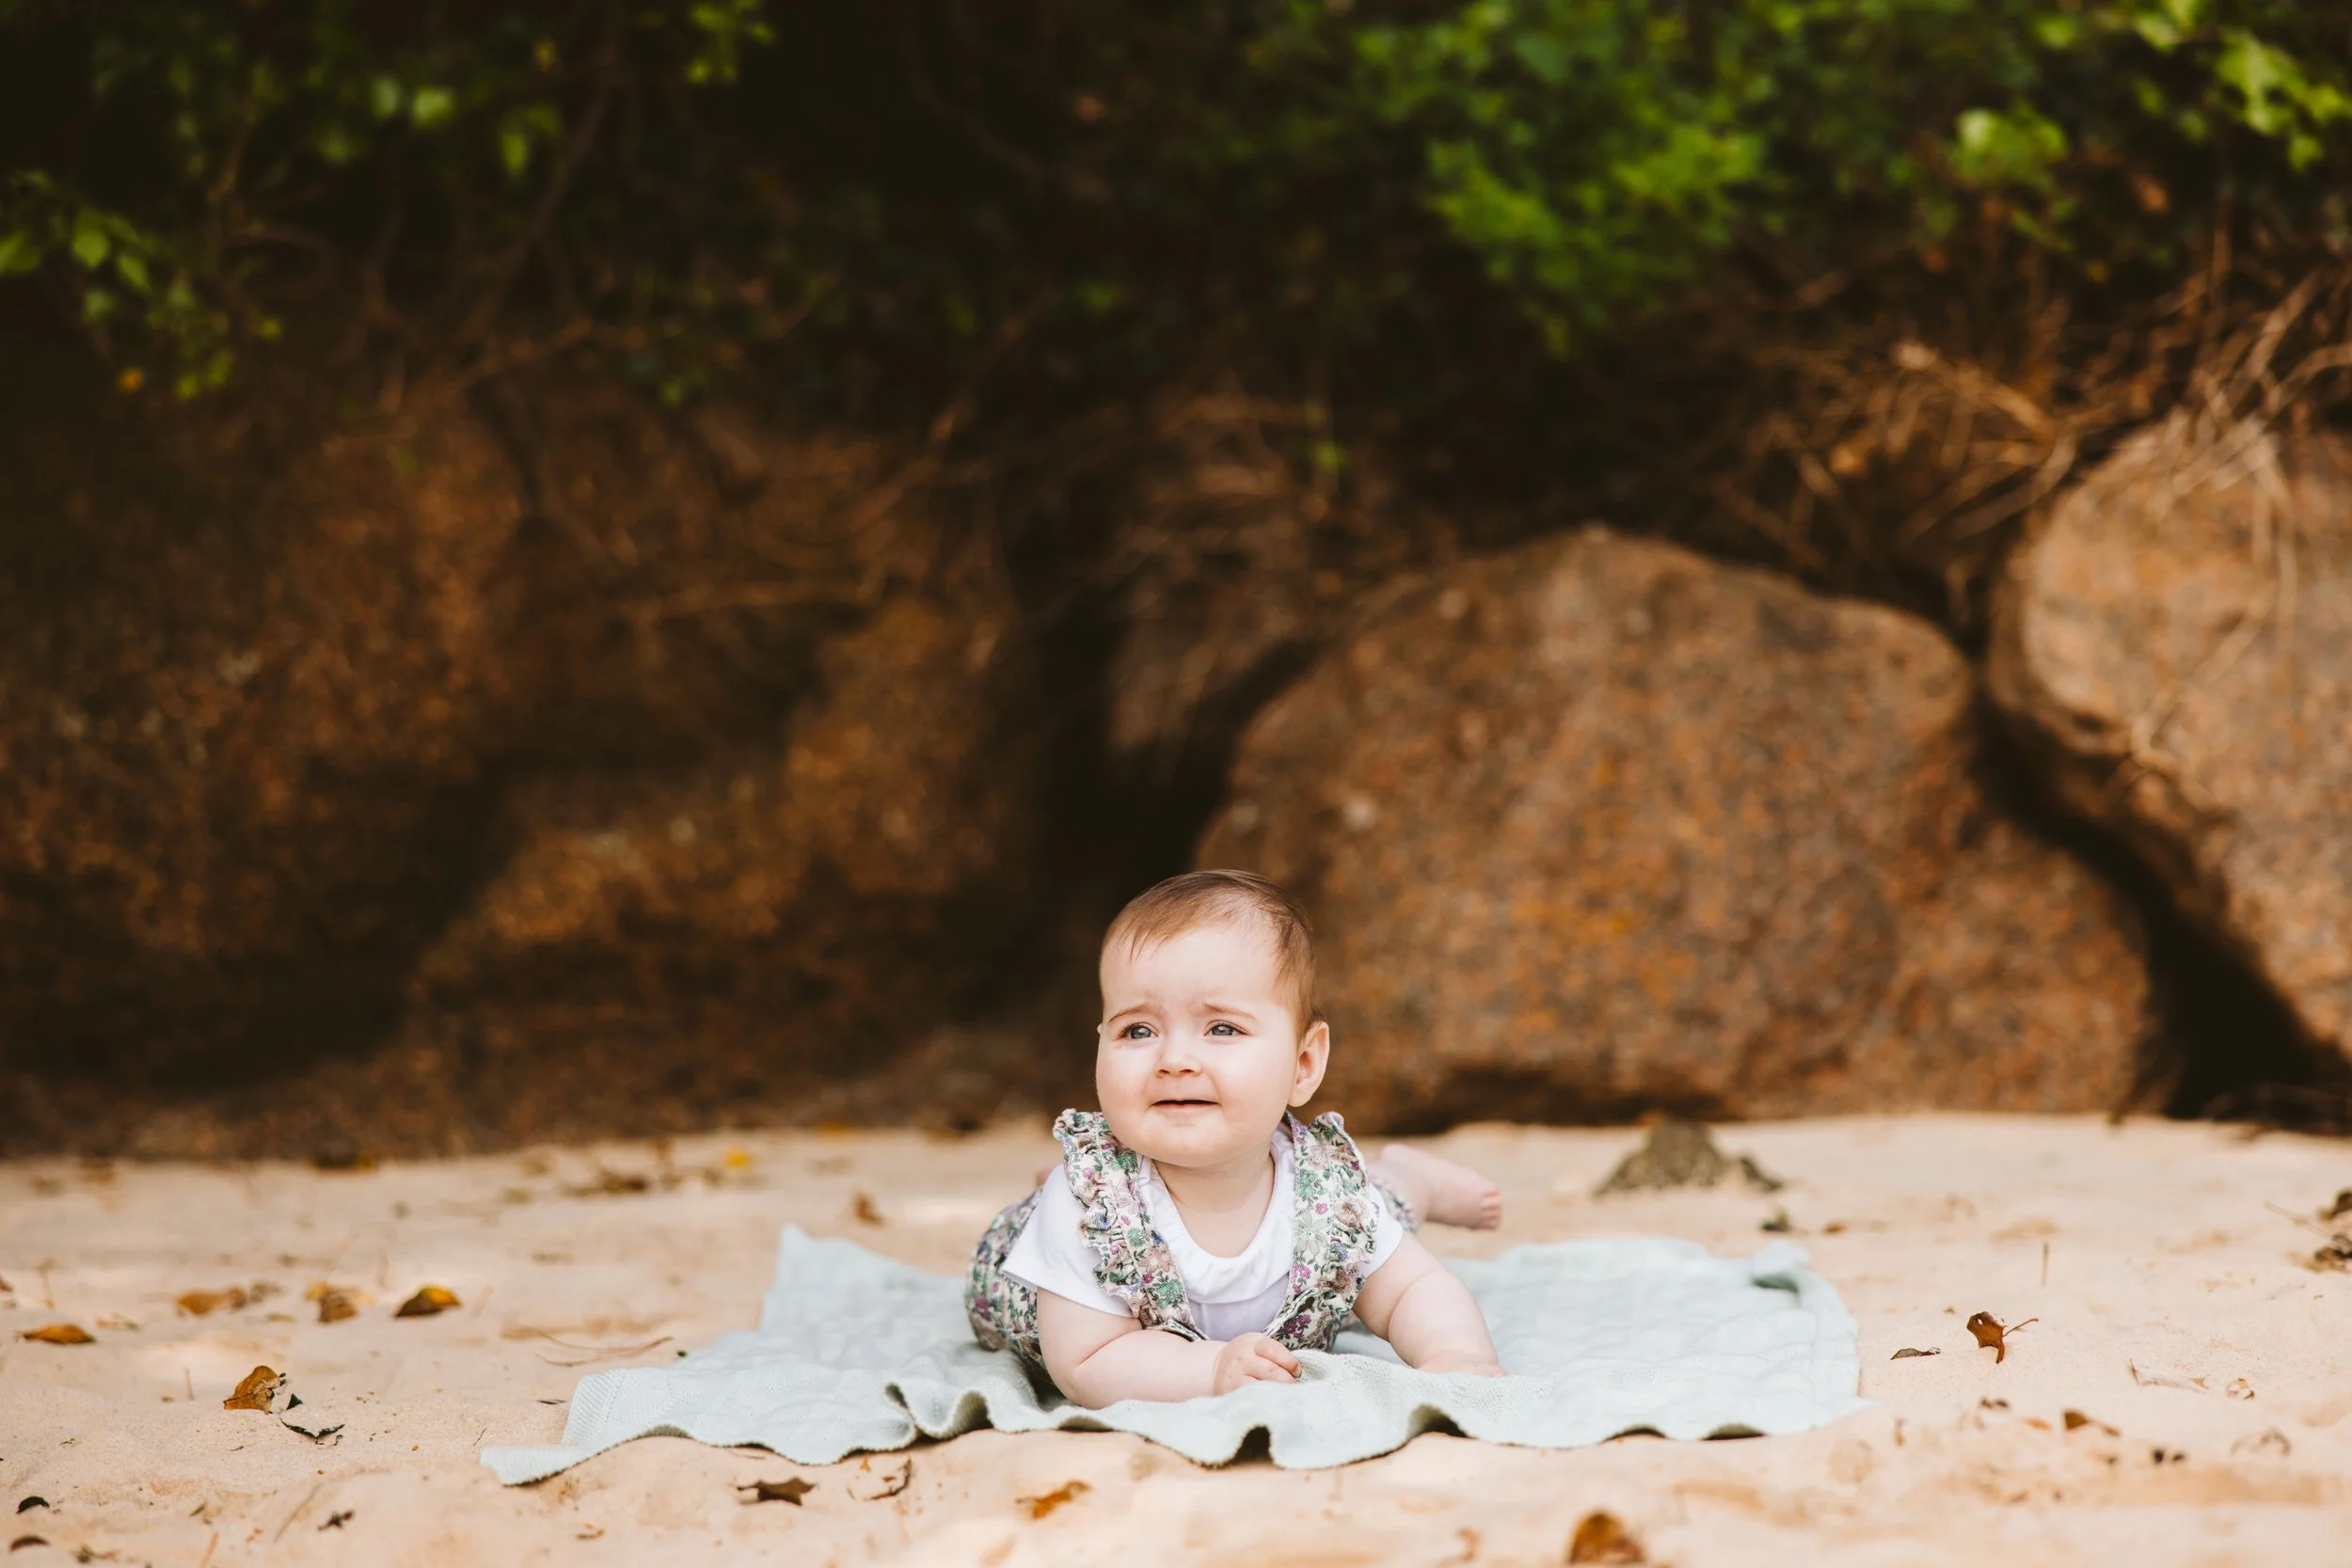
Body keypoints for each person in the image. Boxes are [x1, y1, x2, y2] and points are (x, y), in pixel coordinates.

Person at [966, 869, 1506, 1405]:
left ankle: (1416, 1179)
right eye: (1138, 1030)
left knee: (1380, 1210)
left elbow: (1412, 1290)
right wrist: (1209, 1370)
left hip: (1330, 1200)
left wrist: (1457, 1355)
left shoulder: (1329, 1195)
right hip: (1041, 1274)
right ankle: (1042, 1191)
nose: (1175, 1060)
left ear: (1303, 1064)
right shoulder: (1089, 1210)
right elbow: (1088, 1361)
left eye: (1221, 1028)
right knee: (1068, 1195)